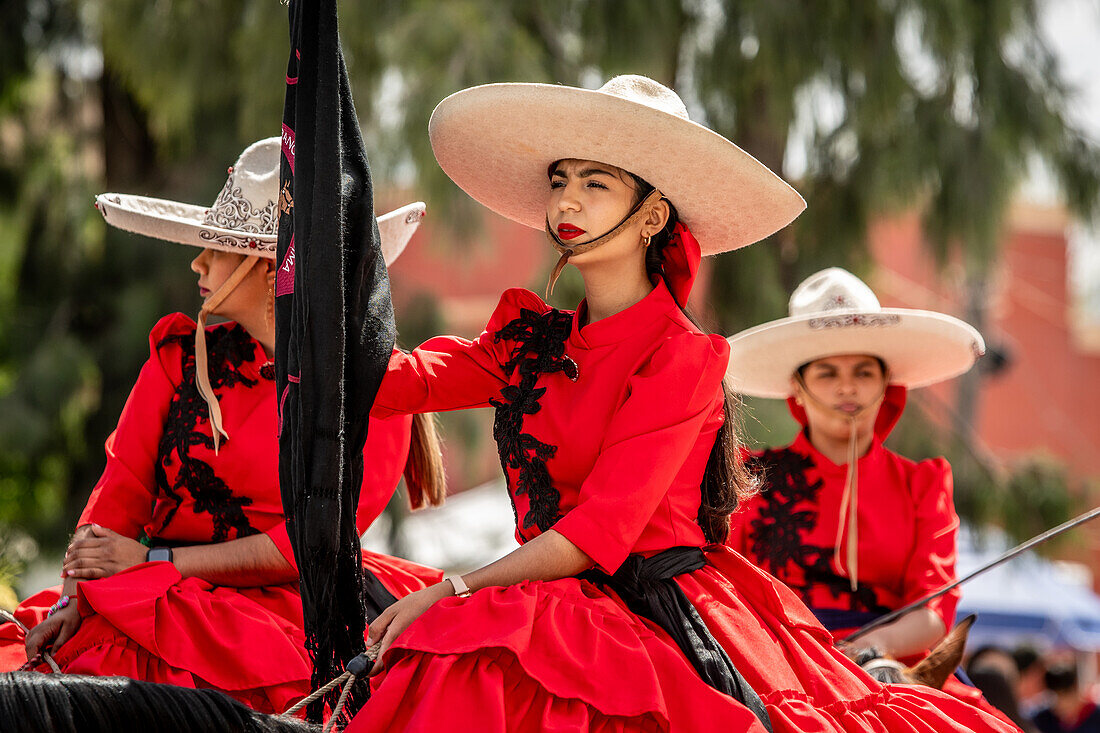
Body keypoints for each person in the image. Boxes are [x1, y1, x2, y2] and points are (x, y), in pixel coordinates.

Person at [341, 76, 1016, 731]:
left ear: (653, 216)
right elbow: (392, 382)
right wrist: (297, 293)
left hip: (658, 609)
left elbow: (597, 533)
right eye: (561, 179)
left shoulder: (682, 356)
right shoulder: (525, 342)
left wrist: (456, 588)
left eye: (595, 182)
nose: (567, 200)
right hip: (544, 598)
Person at [0, 138, 442, 714]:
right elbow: (119, 491)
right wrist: (73, 596)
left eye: (216, 249)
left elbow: (307, 548)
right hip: (151, 590)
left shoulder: (373, 392)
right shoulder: (178, 357)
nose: (197, 263)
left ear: (271, 269)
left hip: (285, 607)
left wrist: (156, 565)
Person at [726, 266, 983, 662]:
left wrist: (872, 647)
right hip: (766, 656)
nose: (847, 387)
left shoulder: (923, 485)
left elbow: (933, 610)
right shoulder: (747, 478)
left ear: (886, 384)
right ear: (798, 385)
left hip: (887, 662)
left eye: (863, 372)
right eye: (827, 373)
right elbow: (719, 585)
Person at [1031, 661, 1100, 733]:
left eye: (1064, 693)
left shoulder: (1096, 716)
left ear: (1076, 688)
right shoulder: (1043, 719)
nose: (1060, 702)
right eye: (1054, 695)